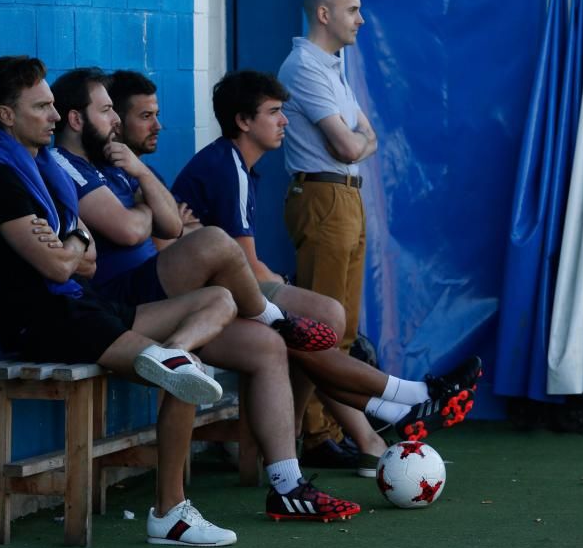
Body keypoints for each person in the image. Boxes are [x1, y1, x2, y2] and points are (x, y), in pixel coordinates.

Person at [48, 66, 362, 522]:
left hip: (162, 299)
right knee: (215, 241)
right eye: (108, 110)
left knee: (267, 346)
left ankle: (287, 484)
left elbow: (170, 225)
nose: (117, 119)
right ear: (76, 120)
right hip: (119, 305)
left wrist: (139, 178)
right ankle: (281, 321)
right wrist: (144, 208)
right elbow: (131, 226)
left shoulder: (117, 167)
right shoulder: (65, 165)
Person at [0, 55, 239, 547]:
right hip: (43, 322)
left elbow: (81, 259)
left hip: (85, 308)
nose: (52, 115)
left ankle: (175, 356)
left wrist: (71, 244)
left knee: (218, 301)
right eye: (41, 106)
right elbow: (60, 266)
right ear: (6, 115)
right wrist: (73, 246)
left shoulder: (45, 169)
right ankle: (170, 511)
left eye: (52, 105)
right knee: (186, 374)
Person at [171, 70, 481, 449]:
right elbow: (247, 265)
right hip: (202, 301)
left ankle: (390, 411)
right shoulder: (226, 166)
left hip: (224, 292)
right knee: (320, 321)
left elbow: (241, 261)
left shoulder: (239, 166)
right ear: (243, 121)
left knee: (320, 324)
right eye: (273, 112)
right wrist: (282, 285)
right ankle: (412, 397)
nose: (284, 120)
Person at [277, 0, 385, 461]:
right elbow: (350, 145)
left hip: (346, 196)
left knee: (344, 324)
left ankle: (327, 429)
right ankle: (315, 435)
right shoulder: (303, 67)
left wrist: (358, 143)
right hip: (323, 195)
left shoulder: (330, 68)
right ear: (324, 14)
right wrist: (358, 144)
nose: (360, 19)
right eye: (353, 10)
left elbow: (369, 136)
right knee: (321, 324)